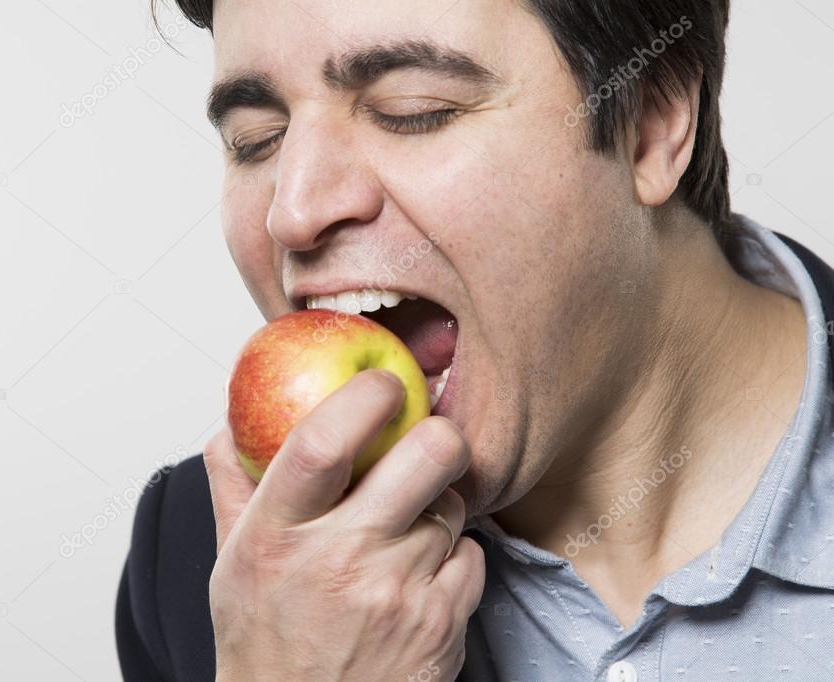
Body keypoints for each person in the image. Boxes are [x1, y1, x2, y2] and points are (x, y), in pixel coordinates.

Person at [117, 1, 834, 679]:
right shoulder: (209, 572)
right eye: (256, 140)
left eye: (412, 111)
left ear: (649, 123)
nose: (293, 211)